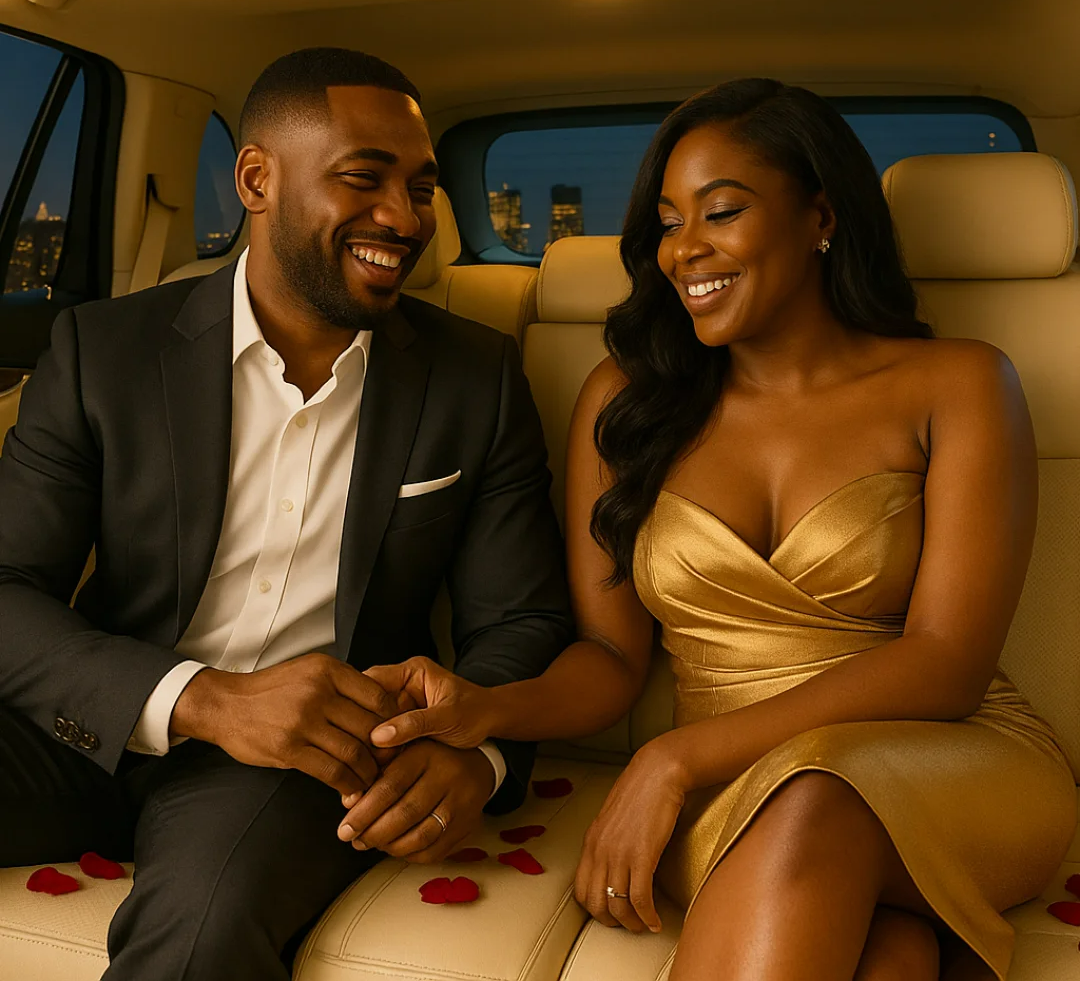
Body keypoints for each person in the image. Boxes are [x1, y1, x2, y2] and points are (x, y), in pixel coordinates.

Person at [360, 79, 1077, 981]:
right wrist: (486, 708)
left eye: (722, 211)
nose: (684, 249)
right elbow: (610, 659)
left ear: (821, 216)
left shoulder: (960, 384)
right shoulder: (624, 405)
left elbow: (947, 661)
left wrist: (672, 758)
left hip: (949, 761)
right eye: (668, 223)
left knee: (818, 804)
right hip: (726, 794)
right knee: (886, 951)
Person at [0, 47, 574, 979]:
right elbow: (6, 585)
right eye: (364, 178)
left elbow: (520, 620)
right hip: (95, 712)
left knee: (203, 932)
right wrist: (200, 699)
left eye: (420, 188)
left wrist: (478, 755)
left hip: (303, 765)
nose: (405, 218)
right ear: (256, 181)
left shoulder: (475, 379)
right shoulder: (103, 351)